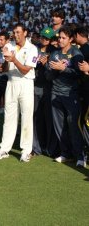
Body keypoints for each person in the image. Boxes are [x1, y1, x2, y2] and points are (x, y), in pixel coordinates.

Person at [0, 24, 38, 162]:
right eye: (14, 32)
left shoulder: (32, 49)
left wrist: (14, 59)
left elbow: (26, 70)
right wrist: (6, 62)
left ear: (25, 33)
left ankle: (26, 151)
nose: (16, 35)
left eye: (18, 32)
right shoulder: (9, 46)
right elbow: (6, 69)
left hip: (25, 83)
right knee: (9, 117)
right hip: (11, 82)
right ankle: (4, 148)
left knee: (26, 117)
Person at [46, 26, 86, 167]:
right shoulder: (54, 54)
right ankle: (65, 153)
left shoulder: (76, 53)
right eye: (59, 37)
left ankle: (80, 156)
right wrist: (53, 69)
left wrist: (64, 69)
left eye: (64, 38)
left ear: (70, 39)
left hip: (71, 94)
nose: (60, 40)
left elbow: (81, 74)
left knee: (73, 126)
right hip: (55, 93)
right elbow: (48, 76)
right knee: (59, 126)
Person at [32, 27, 58, 157]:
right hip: (35, 86)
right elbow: (29, 64)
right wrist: (37, 62)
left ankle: (50, 148)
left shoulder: (54, 51)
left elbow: (55, 71)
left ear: (51, 39)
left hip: (49, 88)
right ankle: (36, 147)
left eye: (47, 38)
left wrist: (47, 63)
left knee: (49, 119)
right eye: (42, 37)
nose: (44, 40)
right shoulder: (34, 48)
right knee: (36, 117)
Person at [74, 26, 89, 147]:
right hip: (84, 90)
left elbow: (81, 70)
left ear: (78, 35)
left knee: (83, 121)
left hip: (85, 90)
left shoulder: (83, 50)